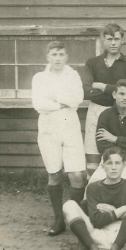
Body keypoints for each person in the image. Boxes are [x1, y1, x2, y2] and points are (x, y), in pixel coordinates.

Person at [31, 41, 86, 236]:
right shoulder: (39, 78)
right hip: (48, 128)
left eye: (61, 54)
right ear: (48, 57)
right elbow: (38, 103)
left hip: (70, 126)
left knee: (77, 175)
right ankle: (58, 218)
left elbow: (77, 98)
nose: (58, 58)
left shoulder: (73, 75)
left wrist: (53, 99)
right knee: (54, 174)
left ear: (66, 57)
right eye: (54, 54)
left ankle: (75, 217)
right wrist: (61, 102)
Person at [62, 146, 126, 250]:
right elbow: (97, 221)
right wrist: (122, 210)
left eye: (118, 163)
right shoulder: (93, 187)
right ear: (102, 166)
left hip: (123, 239)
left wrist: (114, 211)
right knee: (69, 205)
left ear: (124, 165)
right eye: (109, 163)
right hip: (98, 238)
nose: (114, 167)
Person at [81, 23, 126, 179]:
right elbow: (86, 91)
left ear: (122, 40)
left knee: (116, 157)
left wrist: (101, 85)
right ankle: (92, 193)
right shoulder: (92, 63)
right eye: (109, 39)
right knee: (93, 157)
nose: (113, 43)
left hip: (119, 113)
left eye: (117, 39)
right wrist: (116, 91)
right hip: (96, 111)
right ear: (103, 40)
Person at [89, 79, 126, 185]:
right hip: (110, 159)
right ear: (114, 94)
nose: (125, 98)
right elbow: (102, 146)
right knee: (92, 185)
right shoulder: (105, 115)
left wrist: (114, 139)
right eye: (121, 94)